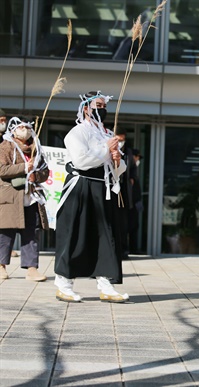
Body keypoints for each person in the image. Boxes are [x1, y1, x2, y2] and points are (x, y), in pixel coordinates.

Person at [53, 91, 129, 303]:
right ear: (86, 108)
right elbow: (81, 161)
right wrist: (106, 149)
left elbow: (120, 168)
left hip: (104, 188)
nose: (102, 109)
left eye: (104, 105)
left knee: (107, 236)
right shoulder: (77, 133)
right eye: (98, 105)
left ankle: (106, 284)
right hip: (82, 186)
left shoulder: (107, 133)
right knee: (75, 234)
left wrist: (116, 159)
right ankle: (64, 283)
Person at [0, 117, 49, 281]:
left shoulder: (36, 148)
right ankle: (1, 266)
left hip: (32, 197)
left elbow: (45, 171)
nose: (25, 129)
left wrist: (37, 175)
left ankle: (32, 268)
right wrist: (23, 167)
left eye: (27, 127)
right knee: (5, 232)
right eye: (21, 126)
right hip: (11, 197)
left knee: (32, 232)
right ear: (13, 129)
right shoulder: (5, 146)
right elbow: (2, 169)